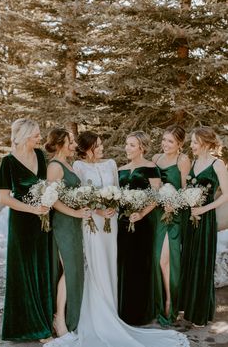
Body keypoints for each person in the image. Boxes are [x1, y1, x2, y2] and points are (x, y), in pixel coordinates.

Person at [44, 130, 189, 347]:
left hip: (112, 224)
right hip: (92, 222)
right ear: (88, 148)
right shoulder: (78, 168)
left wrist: (117, 208)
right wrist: (97, 211)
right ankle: (93, 315)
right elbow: (79, 196)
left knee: (111, 264)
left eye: (102, 144)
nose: (102, 148)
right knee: (93, 265)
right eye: (98, 145)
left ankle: (113, 312)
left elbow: (120, 192)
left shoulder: (112, 164)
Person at [0, 118, 53, 342]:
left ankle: (43, 321)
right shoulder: (8, 162)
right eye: (36, 135)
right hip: (21, 222)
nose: (40, 138)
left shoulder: (39, 156)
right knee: (24, 270)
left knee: (41, 269)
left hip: (42, 220)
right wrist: (33, 209)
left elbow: (46, 185)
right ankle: (29, 327)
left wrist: (46, 204)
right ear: (24, 136)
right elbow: (4, 198)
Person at [179, 126, 228, 326]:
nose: (191, 146)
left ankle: (200, 313)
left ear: (206, 143)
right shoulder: (195, 162)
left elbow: (226, 194)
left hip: (205, 219)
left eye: (194, 142)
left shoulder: (218, 164)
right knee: (189, 261)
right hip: (190, 218)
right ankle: (187, 309)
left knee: (202, 263)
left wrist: (204, 209)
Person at [45, 128, 90, 342]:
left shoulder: (67, 164)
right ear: (62, 143)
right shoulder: (54, 166)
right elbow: (52, 199)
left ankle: (72, 317)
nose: (74, 145)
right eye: (71, 141)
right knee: (70, 270)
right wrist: (74, 212)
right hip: (64, 223)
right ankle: (60, 319)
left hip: (74, 223)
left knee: (75, 269)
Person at [117, 131, 161, 325]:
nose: (127, 148)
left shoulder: (151, 167)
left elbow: (156, 196)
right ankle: (124, 311)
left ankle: (141, 313)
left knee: (140, 264)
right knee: (124, 264)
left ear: (142, 147)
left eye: (132, 145)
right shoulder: (121, 169)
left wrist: (142, 213)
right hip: (123, 223)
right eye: (127, 144)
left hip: (143, 224)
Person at [152, 125, 191, 325]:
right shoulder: (156, 159)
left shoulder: (182, 161)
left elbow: (186, 191)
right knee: (157, 260)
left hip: (174, 217)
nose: (165, 144)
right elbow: (151, 188)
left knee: (166, 261)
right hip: (157, 215)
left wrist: (174, 203)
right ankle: (159, 302)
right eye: (164, 140)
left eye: (170, 142)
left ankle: (170, 303)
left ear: (180, 145)